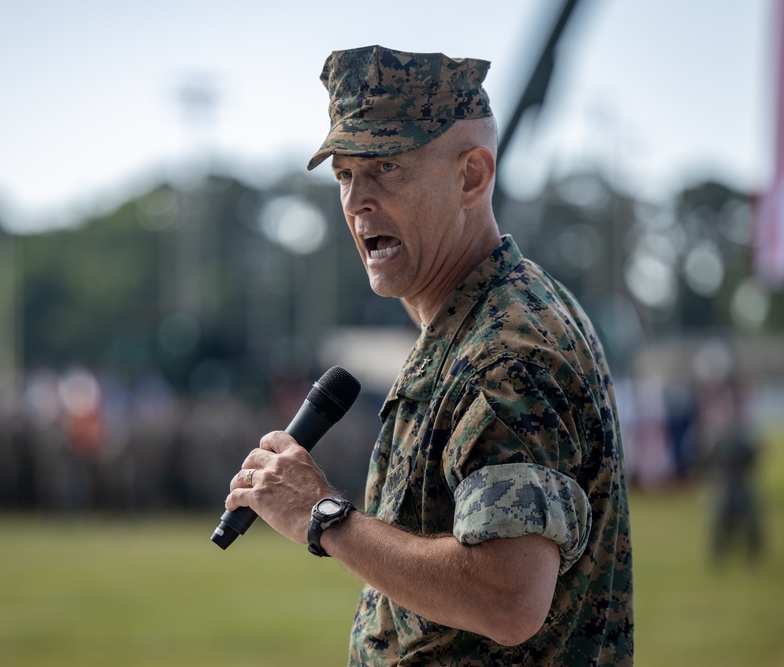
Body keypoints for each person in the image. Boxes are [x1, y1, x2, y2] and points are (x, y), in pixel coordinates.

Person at [226, 45, 633, 665]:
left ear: (471, 175)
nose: (357, 200)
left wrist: (323, 515)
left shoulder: (506, 352)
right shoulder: (477, 321)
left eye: (386, 165)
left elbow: (507, 599)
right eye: (344, 173)